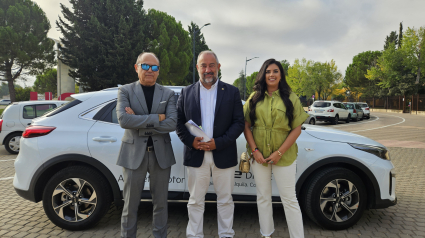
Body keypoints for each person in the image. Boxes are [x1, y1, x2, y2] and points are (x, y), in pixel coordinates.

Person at [176, 51, 244, 238]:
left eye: (211, 65)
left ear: (218, 67)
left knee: (225, 200)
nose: (208, 70)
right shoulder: (186, 92)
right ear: (197, 68)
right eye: (203, 66)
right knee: (195, 200)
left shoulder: (232, 92)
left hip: (223, 153)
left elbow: (239, 123)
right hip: (196, 154)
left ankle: (226, 235)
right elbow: (179, 122)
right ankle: (194, 235)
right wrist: (191, 141)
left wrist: (218, 143)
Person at [243, 59, 308, 238]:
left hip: (284, 157)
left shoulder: (291, 97)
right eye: (268, 71)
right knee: (263, 197)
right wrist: (255, 151)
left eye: (275, 71)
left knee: (289, 199)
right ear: (263, 75)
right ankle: (266, 234)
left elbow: (296, 128)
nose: (271, 75)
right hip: (259, 157)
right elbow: (246, 125)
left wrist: (279, 153)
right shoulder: (254, 97)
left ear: (281, 75)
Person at [116, 52, 177, 238]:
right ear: (137, 67)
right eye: (145, 66)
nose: (150, 70)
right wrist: (158, 118)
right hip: (134, 154)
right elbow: (124, 120)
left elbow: (172, 123)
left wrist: (138, 121)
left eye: (154, 67)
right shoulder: (125, 91)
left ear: (158, 71)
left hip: (161, 155)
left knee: (161, 204)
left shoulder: (168, 93)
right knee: (130, 205)